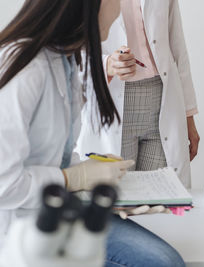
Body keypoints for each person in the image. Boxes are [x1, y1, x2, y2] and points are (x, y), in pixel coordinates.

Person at [0, 0, 185, 266]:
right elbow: (4, 183)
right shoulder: (24, 67)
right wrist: (74, 177)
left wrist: (101, 184)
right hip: (24, 228)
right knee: (162, 264)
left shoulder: (64, 61)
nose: (120, 6)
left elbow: (56, 155)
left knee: (166, 260)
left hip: (64, 208)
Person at [75, 0, 200, 188]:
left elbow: (177, 46)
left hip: (162, 102)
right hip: (115, 103)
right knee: (119, 198)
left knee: (161, 198)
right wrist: (107, 64)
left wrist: (188, 115)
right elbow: (71, 47)